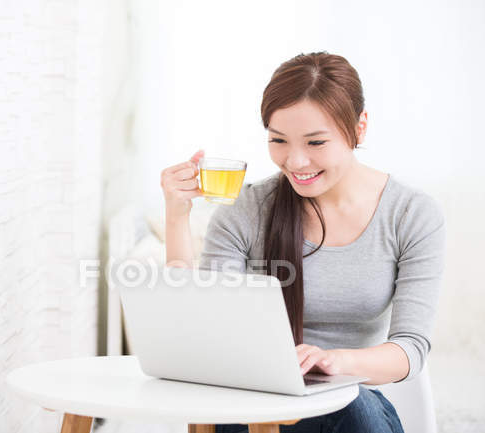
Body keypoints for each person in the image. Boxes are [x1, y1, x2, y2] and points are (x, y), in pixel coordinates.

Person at [159, 51, 445, 433]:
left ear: (360, 127)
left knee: (355, 410)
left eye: (315, 143)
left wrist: (334, 361)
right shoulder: (245, 211)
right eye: (278, 140)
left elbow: (409, 349)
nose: (295, 161)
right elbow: (203, 325)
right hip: (251, 402)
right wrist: (177, 216)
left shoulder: (411, 214)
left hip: (348, 400)